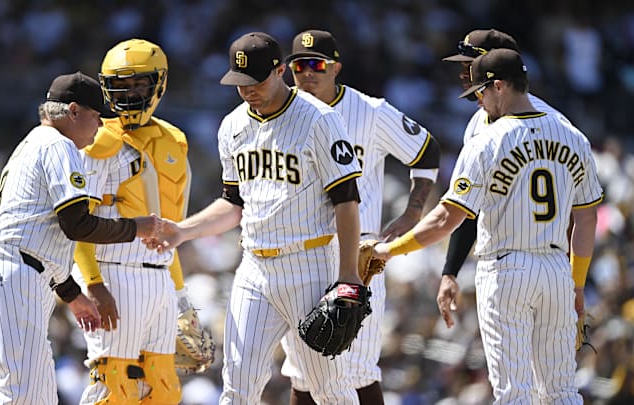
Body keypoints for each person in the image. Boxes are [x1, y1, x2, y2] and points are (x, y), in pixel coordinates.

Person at [371, 49, 603, 403]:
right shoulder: (573, 136)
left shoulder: (487, 142)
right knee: (561, 390)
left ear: (498, 86)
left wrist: (389, 250)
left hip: (506, 269)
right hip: (557, 269)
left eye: (479, 92)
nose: (477, 101)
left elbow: (448, 218)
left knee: (514, 392)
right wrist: (578, 283)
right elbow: (586, 217)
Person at [146, 31, 366, 404]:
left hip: (309, 265)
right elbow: (233, 204)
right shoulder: (232, 126)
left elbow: (346, 201)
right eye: (239, 83)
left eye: (256, 81)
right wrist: (183, 231)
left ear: (281, 70)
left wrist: (348, 275)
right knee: (237, 386)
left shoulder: (319, 120)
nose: (248, 90)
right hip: (254, 268)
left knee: (330, 389)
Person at [0, 71, 164, 404]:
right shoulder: (58, 145)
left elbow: (42, 234)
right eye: (95, 116)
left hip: (20, 272)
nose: (100, 125)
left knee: (38, 398)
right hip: (16, 274)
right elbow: (78, 224)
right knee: (19, 395)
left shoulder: (35, 143)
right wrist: (137, 227)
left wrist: (72, 295)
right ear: (74, 111)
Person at [279, 29, 441, 405]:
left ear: (336, 67)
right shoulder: (281, 113)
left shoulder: (370, 111)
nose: (307, 73)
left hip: (358, 253)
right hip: (299, 250)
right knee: (303, 372)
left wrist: (414, 210)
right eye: (299, 65)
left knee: (358, 369)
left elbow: (426, 150)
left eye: (317, 64)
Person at [71, 38, 199, 404]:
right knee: (112, 383)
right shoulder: (97, 141)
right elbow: (78, 223)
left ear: (159, 83)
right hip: (115, 271)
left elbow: (174, 225)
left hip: (160, 274)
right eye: (119, 85)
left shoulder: (174, 139)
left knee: (159, 388)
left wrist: (180, 295)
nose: (128, 94)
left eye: (138, 84)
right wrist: (93, 284)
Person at [438, 29, 582, 328]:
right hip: (509, 265)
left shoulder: (553, 124)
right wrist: (450, 270)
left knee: (534, 374)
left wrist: (574, 281)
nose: (464, 73)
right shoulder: (479, 121)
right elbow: (469, 208)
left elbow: (579, 210)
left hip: (547, 261)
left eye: (470, 65)